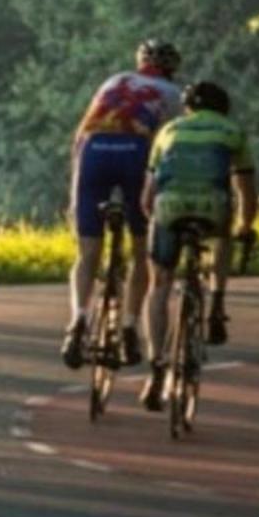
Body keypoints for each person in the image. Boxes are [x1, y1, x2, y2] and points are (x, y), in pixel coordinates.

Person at [61, 37, 184, 369]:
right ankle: (130, 327)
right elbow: (169, 147)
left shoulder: (113, 81)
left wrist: (76, 192)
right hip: (135, 153)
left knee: (87, 253)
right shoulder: (173, 94)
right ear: (172, 69)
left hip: (93, 151)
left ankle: (78, 321)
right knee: (141, 250)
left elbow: (79, 136)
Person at [139, 79, 258, 410]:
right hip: (212, 206)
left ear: (187, 107)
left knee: (159, 283)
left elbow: (146, 198)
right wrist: (245, 227)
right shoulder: (232, 131)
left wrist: (156, 221)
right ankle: (217, 302)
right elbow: (246, 191)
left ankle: (156, 368)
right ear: (223, 107)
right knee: (224, 231)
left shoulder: (169, 130)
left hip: (169, 207)